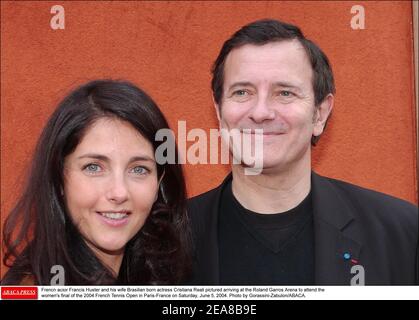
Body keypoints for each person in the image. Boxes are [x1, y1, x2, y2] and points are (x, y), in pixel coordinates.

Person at [187, 19, 418, 285]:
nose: (261, 112)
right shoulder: (165, 238)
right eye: (242, 92)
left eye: (284, 93)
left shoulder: (403, 235)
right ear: (219, 111)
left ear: (320, 113)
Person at [2, 80, 191, 285]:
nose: (119, 192)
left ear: (159, 184)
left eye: (139, 169)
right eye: (93, 167)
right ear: (58, 178)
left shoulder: (159, 275)